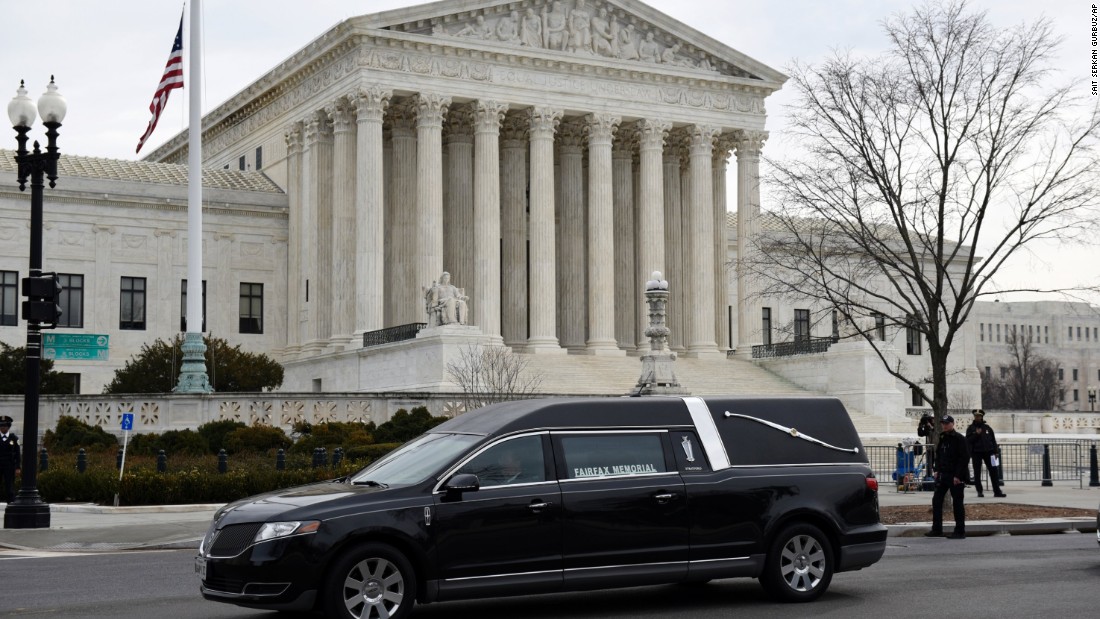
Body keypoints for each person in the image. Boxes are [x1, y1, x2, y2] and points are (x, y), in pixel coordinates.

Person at [927, 415, 969, 539]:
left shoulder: (959, 439)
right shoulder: (943, 437)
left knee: (957, 503)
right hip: (944, 474)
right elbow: (939, 455)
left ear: (952, 424)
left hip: (956, 475)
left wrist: (958, 475)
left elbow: (964, 458)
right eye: (943, 423)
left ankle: (960, 531)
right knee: (937, 500)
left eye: (947, 423)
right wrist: (937, 470)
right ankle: (937, 529)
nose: (944, 426)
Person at [966, 410, 1006, 498]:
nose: (977, 417)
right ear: (974, 417)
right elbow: (968, 441)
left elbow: (993, 440)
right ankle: (979, 491)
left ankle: (997, 491)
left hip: (990, 452)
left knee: (994, 472)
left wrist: (995, 452)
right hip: (976, 453)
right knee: (977, 473)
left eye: (979, 416)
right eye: (976, 416)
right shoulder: (971, 428)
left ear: (982, 417)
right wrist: (976, 434)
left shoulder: (987, 428)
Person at [0, 415, 21, 503]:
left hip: (9, 465)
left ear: (8, 427)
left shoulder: (14, 439)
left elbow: (17, 454)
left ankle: (11, 503)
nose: (2, 428)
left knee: (10, 486)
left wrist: (17, 467)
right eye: (1, 426)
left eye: (5, 426)